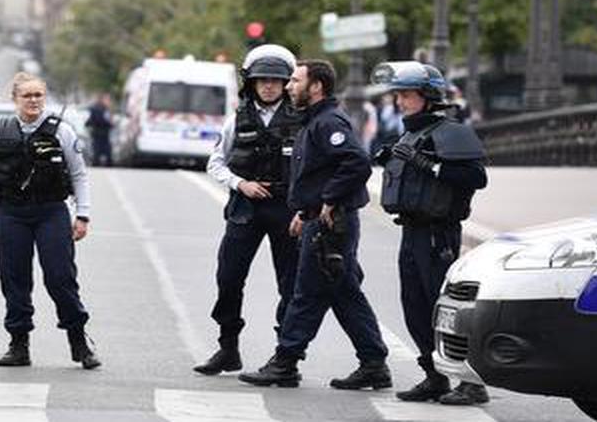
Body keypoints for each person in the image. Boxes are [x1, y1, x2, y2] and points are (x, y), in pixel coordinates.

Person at [239, 59, 391, 390]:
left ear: (316, 86)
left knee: (306, 293)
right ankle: (373, 362)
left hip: (331, 224)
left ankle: (285, 361)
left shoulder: (329, 122)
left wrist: (328, 200)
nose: (289, 86)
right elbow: (318, 173)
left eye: (295, 80)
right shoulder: (314, 121)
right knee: (343, 291)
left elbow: (356, 162)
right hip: (320, 219)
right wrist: (304, 210)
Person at [371, 61, 489, 406]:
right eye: (398, 95)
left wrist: (429, 164)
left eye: (406, 95)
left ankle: (471, 382)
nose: (400, 101)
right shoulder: (411, 133)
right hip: (412, 231)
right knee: (414, 306)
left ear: (428, 96)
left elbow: (476, 178)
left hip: (438, 234)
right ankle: (434, 376)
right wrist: (390, 157)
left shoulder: (452, 131)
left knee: (446, 310)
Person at [0, 72, 100, 370]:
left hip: (51, 211)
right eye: (27, 95)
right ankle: (18, 344)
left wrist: (83, 214)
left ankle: (78, 339)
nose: (34, 101)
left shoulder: (61, 131)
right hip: (11, 214)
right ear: (15, 99)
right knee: (14, 279)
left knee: (60, 277)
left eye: (39, 95)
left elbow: (78, 174)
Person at [195, 45, 302, 376]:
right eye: (262, 80)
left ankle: (286, 359)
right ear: (251, 83)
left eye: (275, 80)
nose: (269, 86)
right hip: (246, 208)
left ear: (286, 83)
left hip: (287, 210)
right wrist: (240, 184)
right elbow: (215, 162)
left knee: (290, 283)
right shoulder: (236, 119)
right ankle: (228, 348)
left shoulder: (303, 120)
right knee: (228, 277)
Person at [84, 93, 114, 166]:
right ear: (103, 100)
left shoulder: (105, 109)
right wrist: (110, 124)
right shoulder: (99, 109)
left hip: (103, 133)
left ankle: (102, 162)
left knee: (104, 150)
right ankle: (97, 163)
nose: (109, 102)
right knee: (99, 150)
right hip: (99, 133)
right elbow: (99, 120)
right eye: (107, 100)